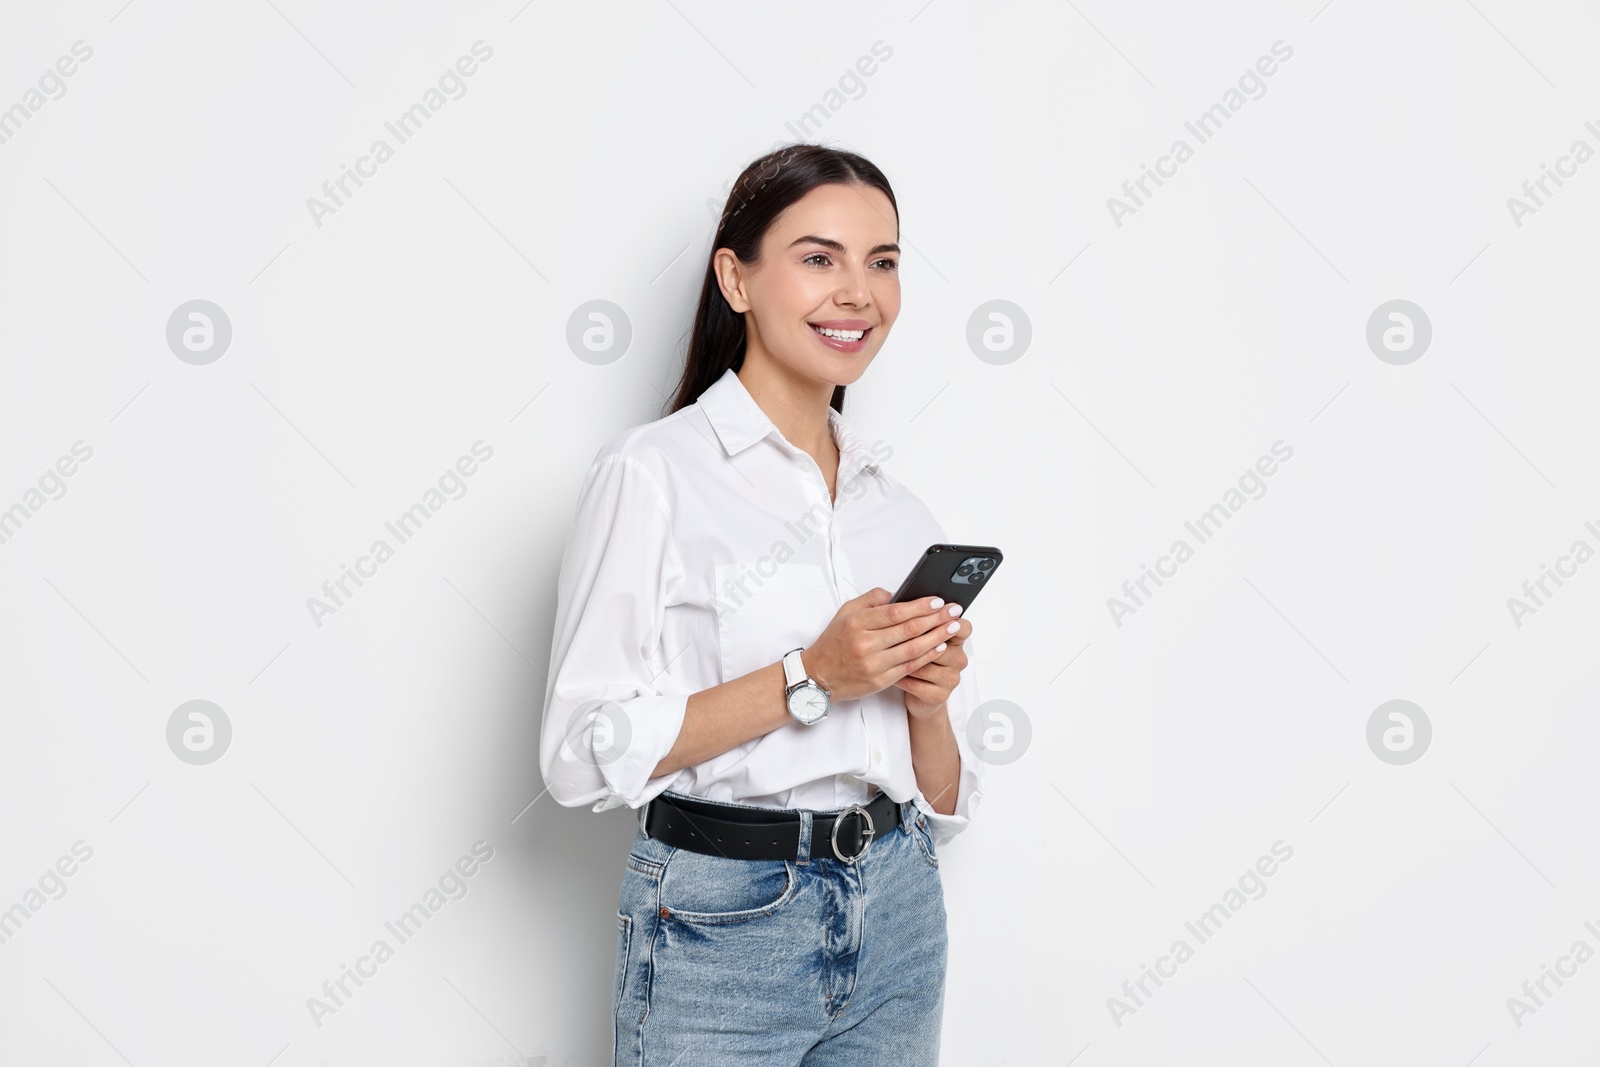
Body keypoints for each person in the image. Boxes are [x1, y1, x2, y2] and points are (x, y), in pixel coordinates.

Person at [540, 143, 986, 1066]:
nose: (858, 292)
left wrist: (928, 703)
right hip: (721, 922)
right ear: (736, 279)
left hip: (900, 904)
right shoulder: (653, 475)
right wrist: (808, 677)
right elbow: (577, 756)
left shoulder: (897, 511)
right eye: (819, 258)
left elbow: (947, 799)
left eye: (883, 261)